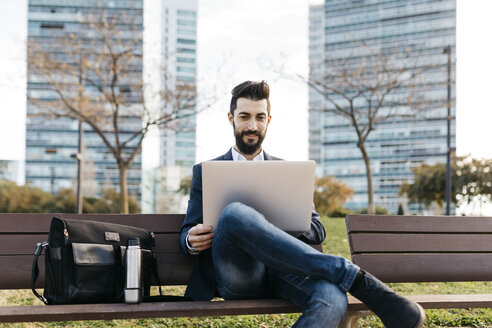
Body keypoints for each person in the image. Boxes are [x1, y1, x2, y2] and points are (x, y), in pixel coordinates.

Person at [179, 80, 425, 328]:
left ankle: (347, 276)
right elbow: (187, 231)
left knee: (332, 299)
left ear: (269, 120)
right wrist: (191, 239)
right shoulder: (206, 171)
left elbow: (318, 229)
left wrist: (278, 223)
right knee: (234, 214)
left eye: (260, 117)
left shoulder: (288, 171)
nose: (252, 126)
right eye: (244, 117)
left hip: (285, 271)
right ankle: (350, 275)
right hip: (239, 274)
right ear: (231, 118)